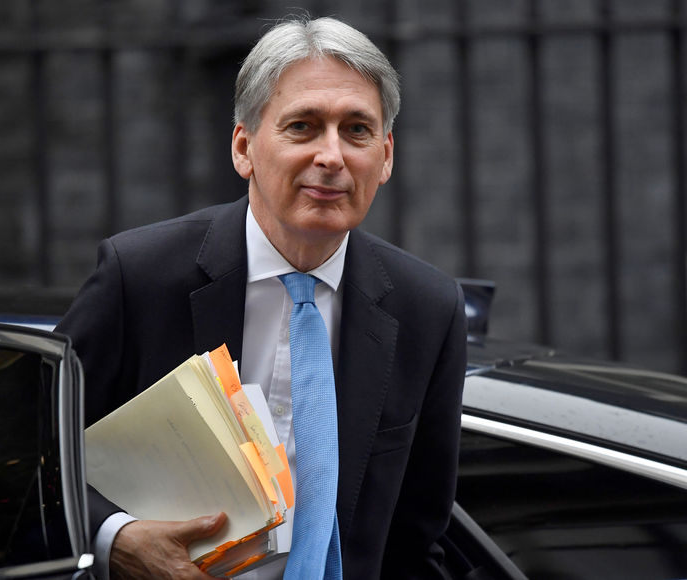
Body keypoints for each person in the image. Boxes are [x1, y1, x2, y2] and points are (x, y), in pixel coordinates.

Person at [56, 15, 466, 580]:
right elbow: (29, 458)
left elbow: (418, 541)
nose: (332, 156)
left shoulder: (427, 310)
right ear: (244, 147)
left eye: (357, 130)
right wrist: (116, 539)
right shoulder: (141, 278)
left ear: (387, 155)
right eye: (302, 126)